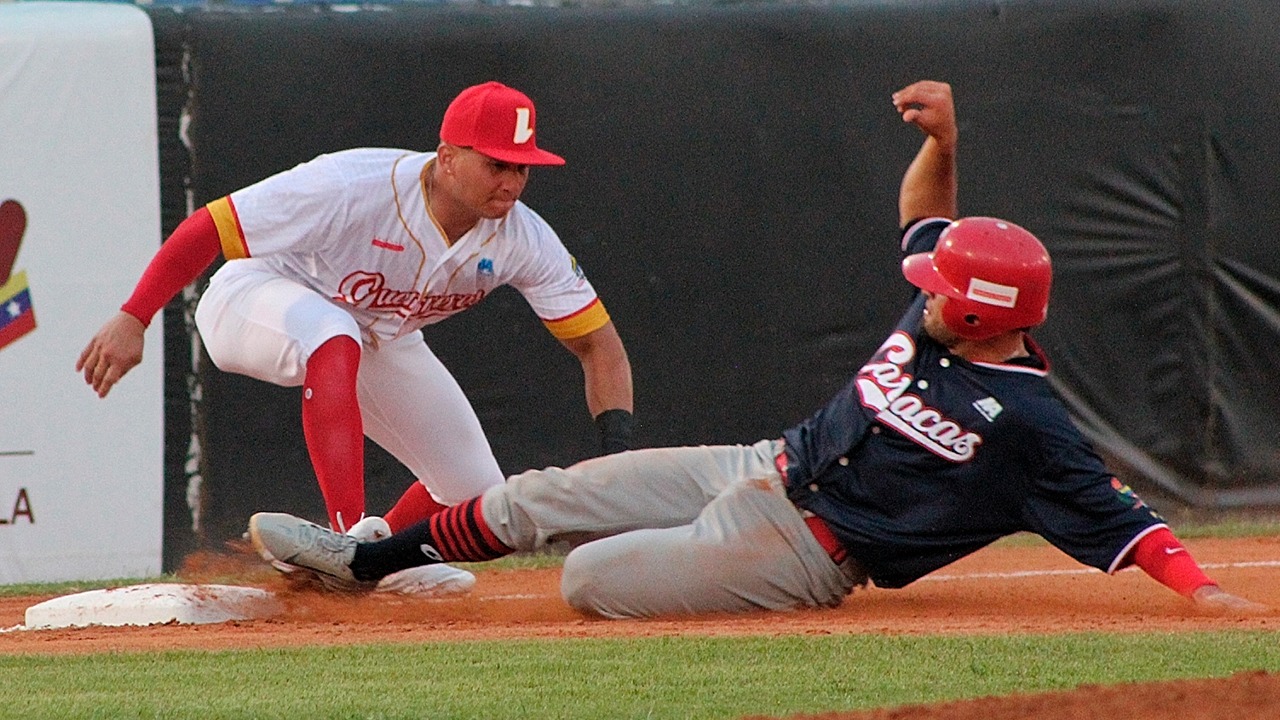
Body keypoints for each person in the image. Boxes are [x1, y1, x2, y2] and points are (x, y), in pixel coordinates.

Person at [246, 80, 1267, 618]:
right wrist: (944, 147)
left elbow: (1127, 525)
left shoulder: (1031, 422)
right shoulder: (937, 311)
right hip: (761, 464)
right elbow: (924, 220)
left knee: (586, 581)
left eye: (946, 291)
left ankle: (619, 564)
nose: (924, 291)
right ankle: (364, 558)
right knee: (537, 496)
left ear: (995, 318)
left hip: (805, 551)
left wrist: (1206, 595)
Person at [76, 81, 635, 596]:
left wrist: (618, 469)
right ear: (447, 158)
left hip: (379, 335)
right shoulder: (353, 186)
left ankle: (368, 557)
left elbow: (599, 345)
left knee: (473, 495)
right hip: (256, 293)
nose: (511, 182)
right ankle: (344, 536)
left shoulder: (523, 236)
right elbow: (211, 226)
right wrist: (135, 316)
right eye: (496, 164)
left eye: (522, 167)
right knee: (333, 331)